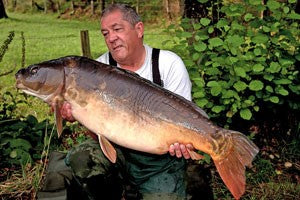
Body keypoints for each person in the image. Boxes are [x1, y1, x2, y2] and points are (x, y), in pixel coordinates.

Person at [41, 3, 210, 200]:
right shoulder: (98, 69)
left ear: (139, 29)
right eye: (105, 33)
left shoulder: (168, 63)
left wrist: (184, 143)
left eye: (117, 29)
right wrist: (77, 115)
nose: (111, 38)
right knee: (82, 158)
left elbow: (185, 119)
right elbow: (98, 130)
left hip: (160, 162)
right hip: (117, 153)